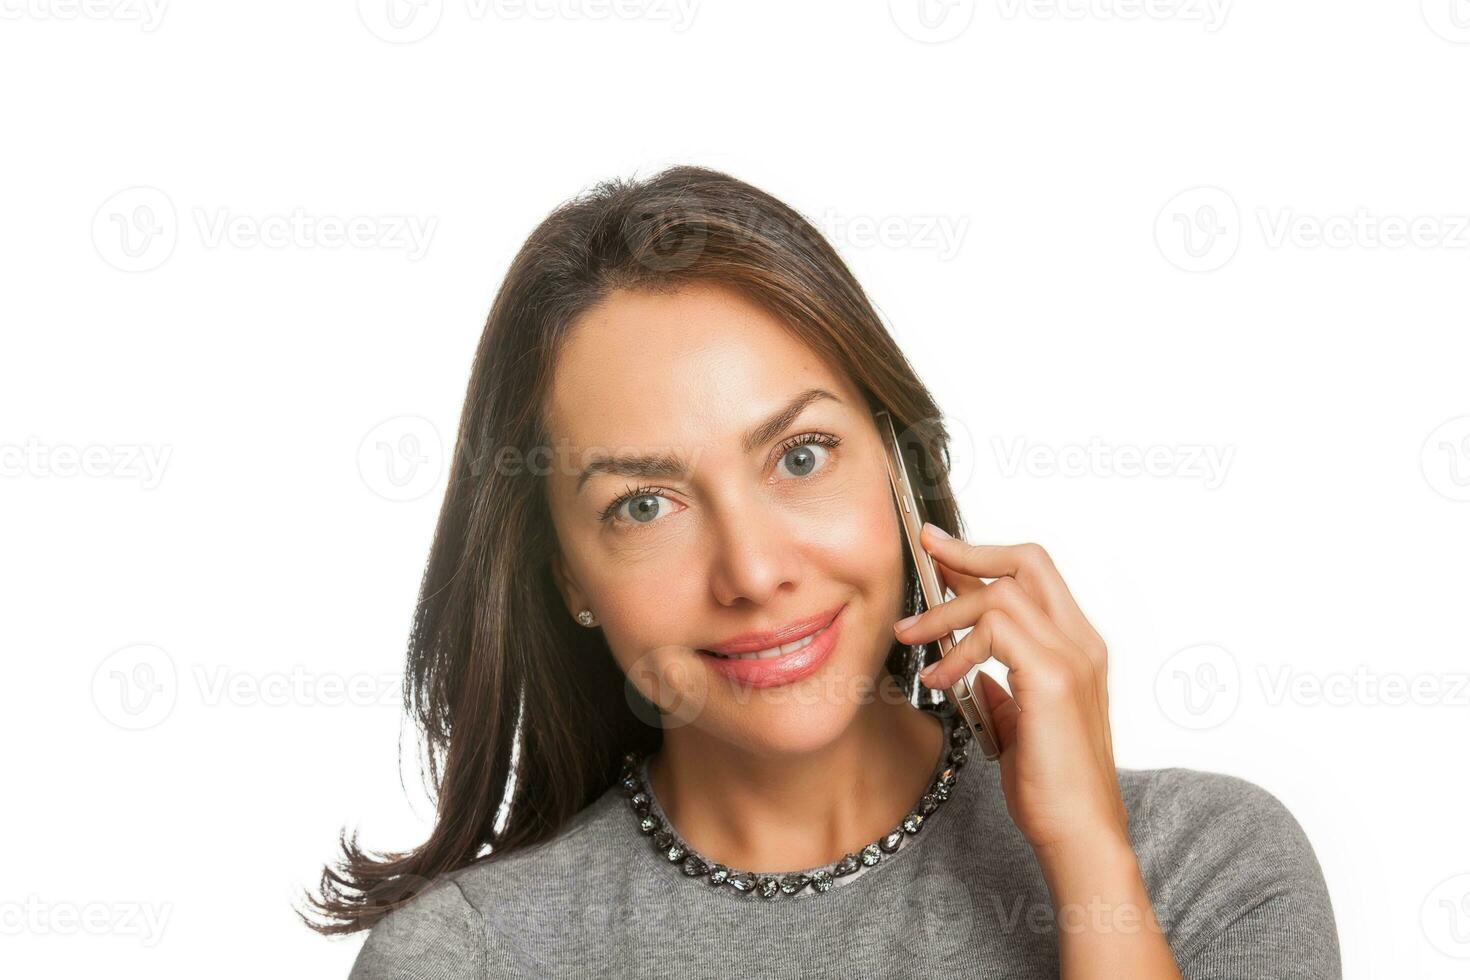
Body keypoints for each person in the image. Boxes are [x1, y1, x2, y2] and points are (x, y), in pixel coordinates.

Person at [304, 165, 1341, 978]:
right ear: (566, 576)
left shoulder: (1202, 866)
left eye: (800, 456)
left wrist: (1087, 860)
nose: (753, 570)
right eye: (643, 503)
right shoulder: (471, 959)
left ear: (897, 466)